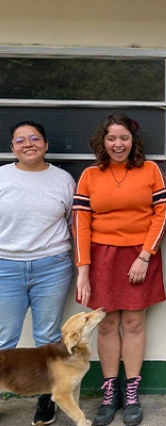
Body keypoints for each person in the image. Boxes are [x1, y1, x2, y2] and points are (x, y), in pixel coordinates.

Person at [73, 113, 166, 426]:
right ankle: (109, 391)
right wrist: (83, 270)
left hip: (140, 255)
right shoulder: (90, 175)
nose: (118, 144)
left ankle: (131, 393)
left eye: (124, 138)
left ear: (133, 140)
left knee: (133, 323)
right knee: (105, 324)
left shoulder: (150, 170)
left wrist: (145, 255)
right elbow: (81, 223)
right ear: (102, 141)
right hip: (101, 256)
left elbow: (162, 213)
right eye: (112, 138)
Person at [0, 120, 75, 425]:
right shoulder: (2, 177)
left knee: (47, 336)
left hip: (52, 265)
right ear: (12, 147)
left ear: (45, 144)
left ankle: (47, 400)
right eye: (20, 140)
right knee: (5, 337)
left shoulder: (63, 180)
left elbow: (72, 222)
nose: (28, 144)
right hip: (6, 264)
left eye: (34, 138)